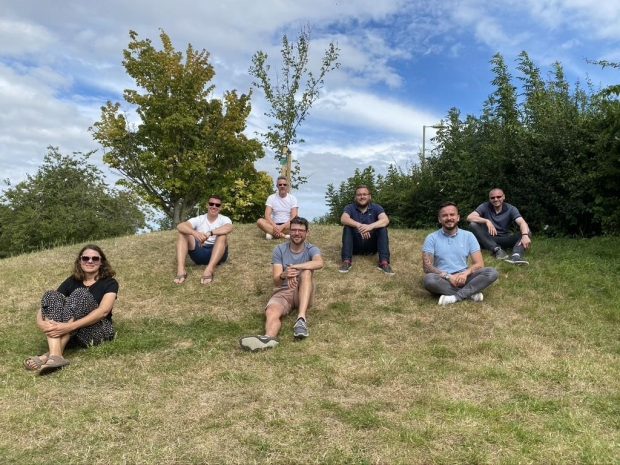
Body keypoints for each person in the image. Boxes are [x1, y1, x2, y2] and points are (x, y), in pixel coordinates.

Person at [24, 244, 118, 374]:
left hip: (99, 330)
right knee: (51, 295)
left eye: (95, 259)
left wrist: (69, 327)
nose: (90, 261)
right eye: (85, 258)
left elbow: (103, 311)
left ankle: (48, 355)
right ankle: (56, 356)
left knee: (80, 294)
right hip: (74, 333)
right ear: (80, 261)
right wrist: (40, 322)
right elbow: (49, 303)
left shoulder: (110, 283)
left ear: (101, 262)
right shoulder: (72, 281)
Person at [240, 217, 324, 351]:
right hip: (284, 291)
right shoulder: (279, 249)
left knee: (307, 272)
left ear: (307, 233)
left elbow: (319, 263)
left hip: (303, 291)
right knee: (272, 311)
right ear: (290, 232)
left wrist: (296, 267)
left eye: (301, 230)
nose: (297, 233)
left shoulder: (311, 249)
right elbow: (276, 281)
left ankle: (301, 319)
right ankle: (268, 338)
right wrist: (283, 275)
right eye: (294, 230)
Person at [422, 202, 499, 305]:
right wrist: (449, 277)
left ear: (458, 217)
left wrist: (465, 274)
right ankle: (470, 294)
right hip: (443, 279)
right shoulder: (431, 238)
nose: (449, 218)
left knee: (491, 272)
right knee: (429, 280)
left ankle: (455, 297)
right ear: (439, 219)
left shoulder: (469, 236)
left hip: (465, 277)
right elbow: (427, 267)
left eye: (452, 214)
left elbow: (479, 264)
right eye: (444, 215)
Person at [173, 195, 233, 285]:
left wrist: (210, 233)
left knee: (222, 236)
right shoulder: (199, 219)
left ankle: (209, 270)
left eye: (217, 205)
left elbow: (229, 228)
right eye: (211, 204)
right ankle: (181, 271)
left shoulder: (224, 219)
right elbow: (180, 226)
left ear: (220, 208)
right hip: (200, 253)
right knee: (183, 233)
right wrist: (195, 233)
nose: (214, 206)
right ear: (207, 205)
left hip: (218, 255)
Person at [467, 188, 532, 265]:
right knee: (472, 225)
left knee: (527, 231)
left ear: (503, 197)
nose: (496, 199)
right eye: (493, 198)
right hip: (488, 240)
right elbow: (469, 217)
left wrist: (525, 235)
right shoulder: (484, 206)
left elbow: (522, 222)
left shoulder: (511, 208)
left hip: (504, 239)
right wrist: (486, 221)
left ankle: (516, 256)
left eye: (499, 197)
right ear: (489, 199)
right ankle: (497, 251)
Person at [339, 185, 394, 274]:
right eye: (359, 195)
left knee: (382, 228)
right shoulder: (350, 207)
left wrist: (370, 227)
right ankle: (346, 261)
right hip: (354, 247)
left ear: (369, 196)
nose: (362, 197)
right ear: (355, 197)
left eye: (364, 194)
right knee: (347, 227)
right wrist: (359, 226)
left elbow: (385, 220)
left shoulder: (377, 208)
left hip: (372, 246)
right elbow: (343, 219)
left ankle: (384, 262)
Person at [256, 176, 299, 240]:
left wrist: (282, 226)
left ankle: (271, 233)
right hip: (273, 224)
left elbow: (294, 216)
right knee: (260, 221)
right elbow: (267, 215)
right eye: (280, 184)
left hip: (287, 225)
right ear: (277, 186)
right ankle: (284, 236)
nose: (282, 186)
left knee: (297, 223)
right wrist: (275, 226)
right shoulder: (271, 197)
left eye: (284, 184)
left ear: (287, 186)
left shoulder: (293, 198)